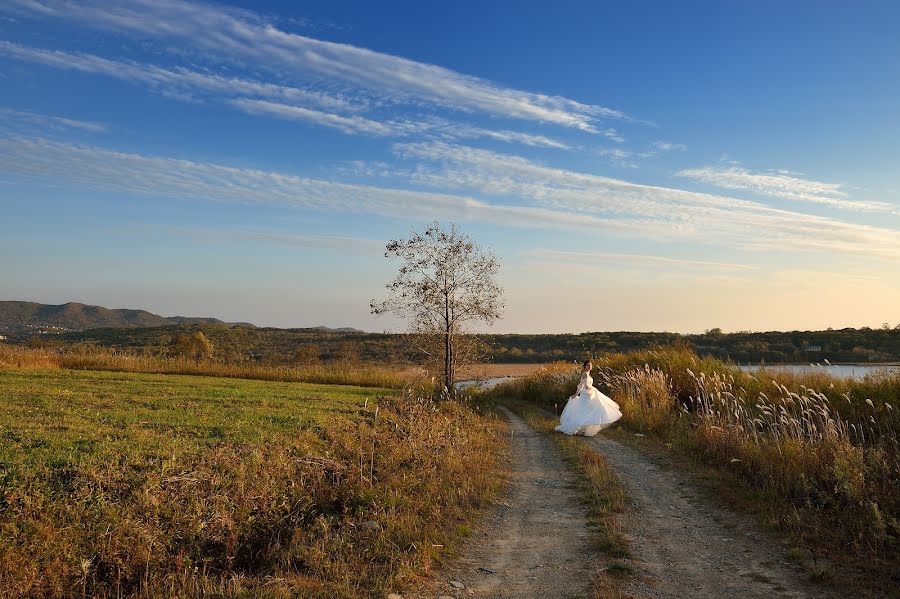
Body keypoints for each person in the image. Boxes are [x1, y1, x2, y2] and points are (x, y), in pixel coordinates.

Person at [555, 359, 622, 436]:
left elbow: (587, 385)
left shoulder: (589, 375)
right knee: (584, 411)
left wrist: (591, 389)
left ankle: (584, 428)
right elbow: (581, 386)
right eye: (588, 365)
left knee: (591, 410)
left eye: (591, 365)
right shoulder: (585, 374)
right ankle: (577, 427)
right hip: (585, 396)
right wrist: (576, 394)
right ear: (585, 366)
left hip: (591, 395)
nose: (590, 366)